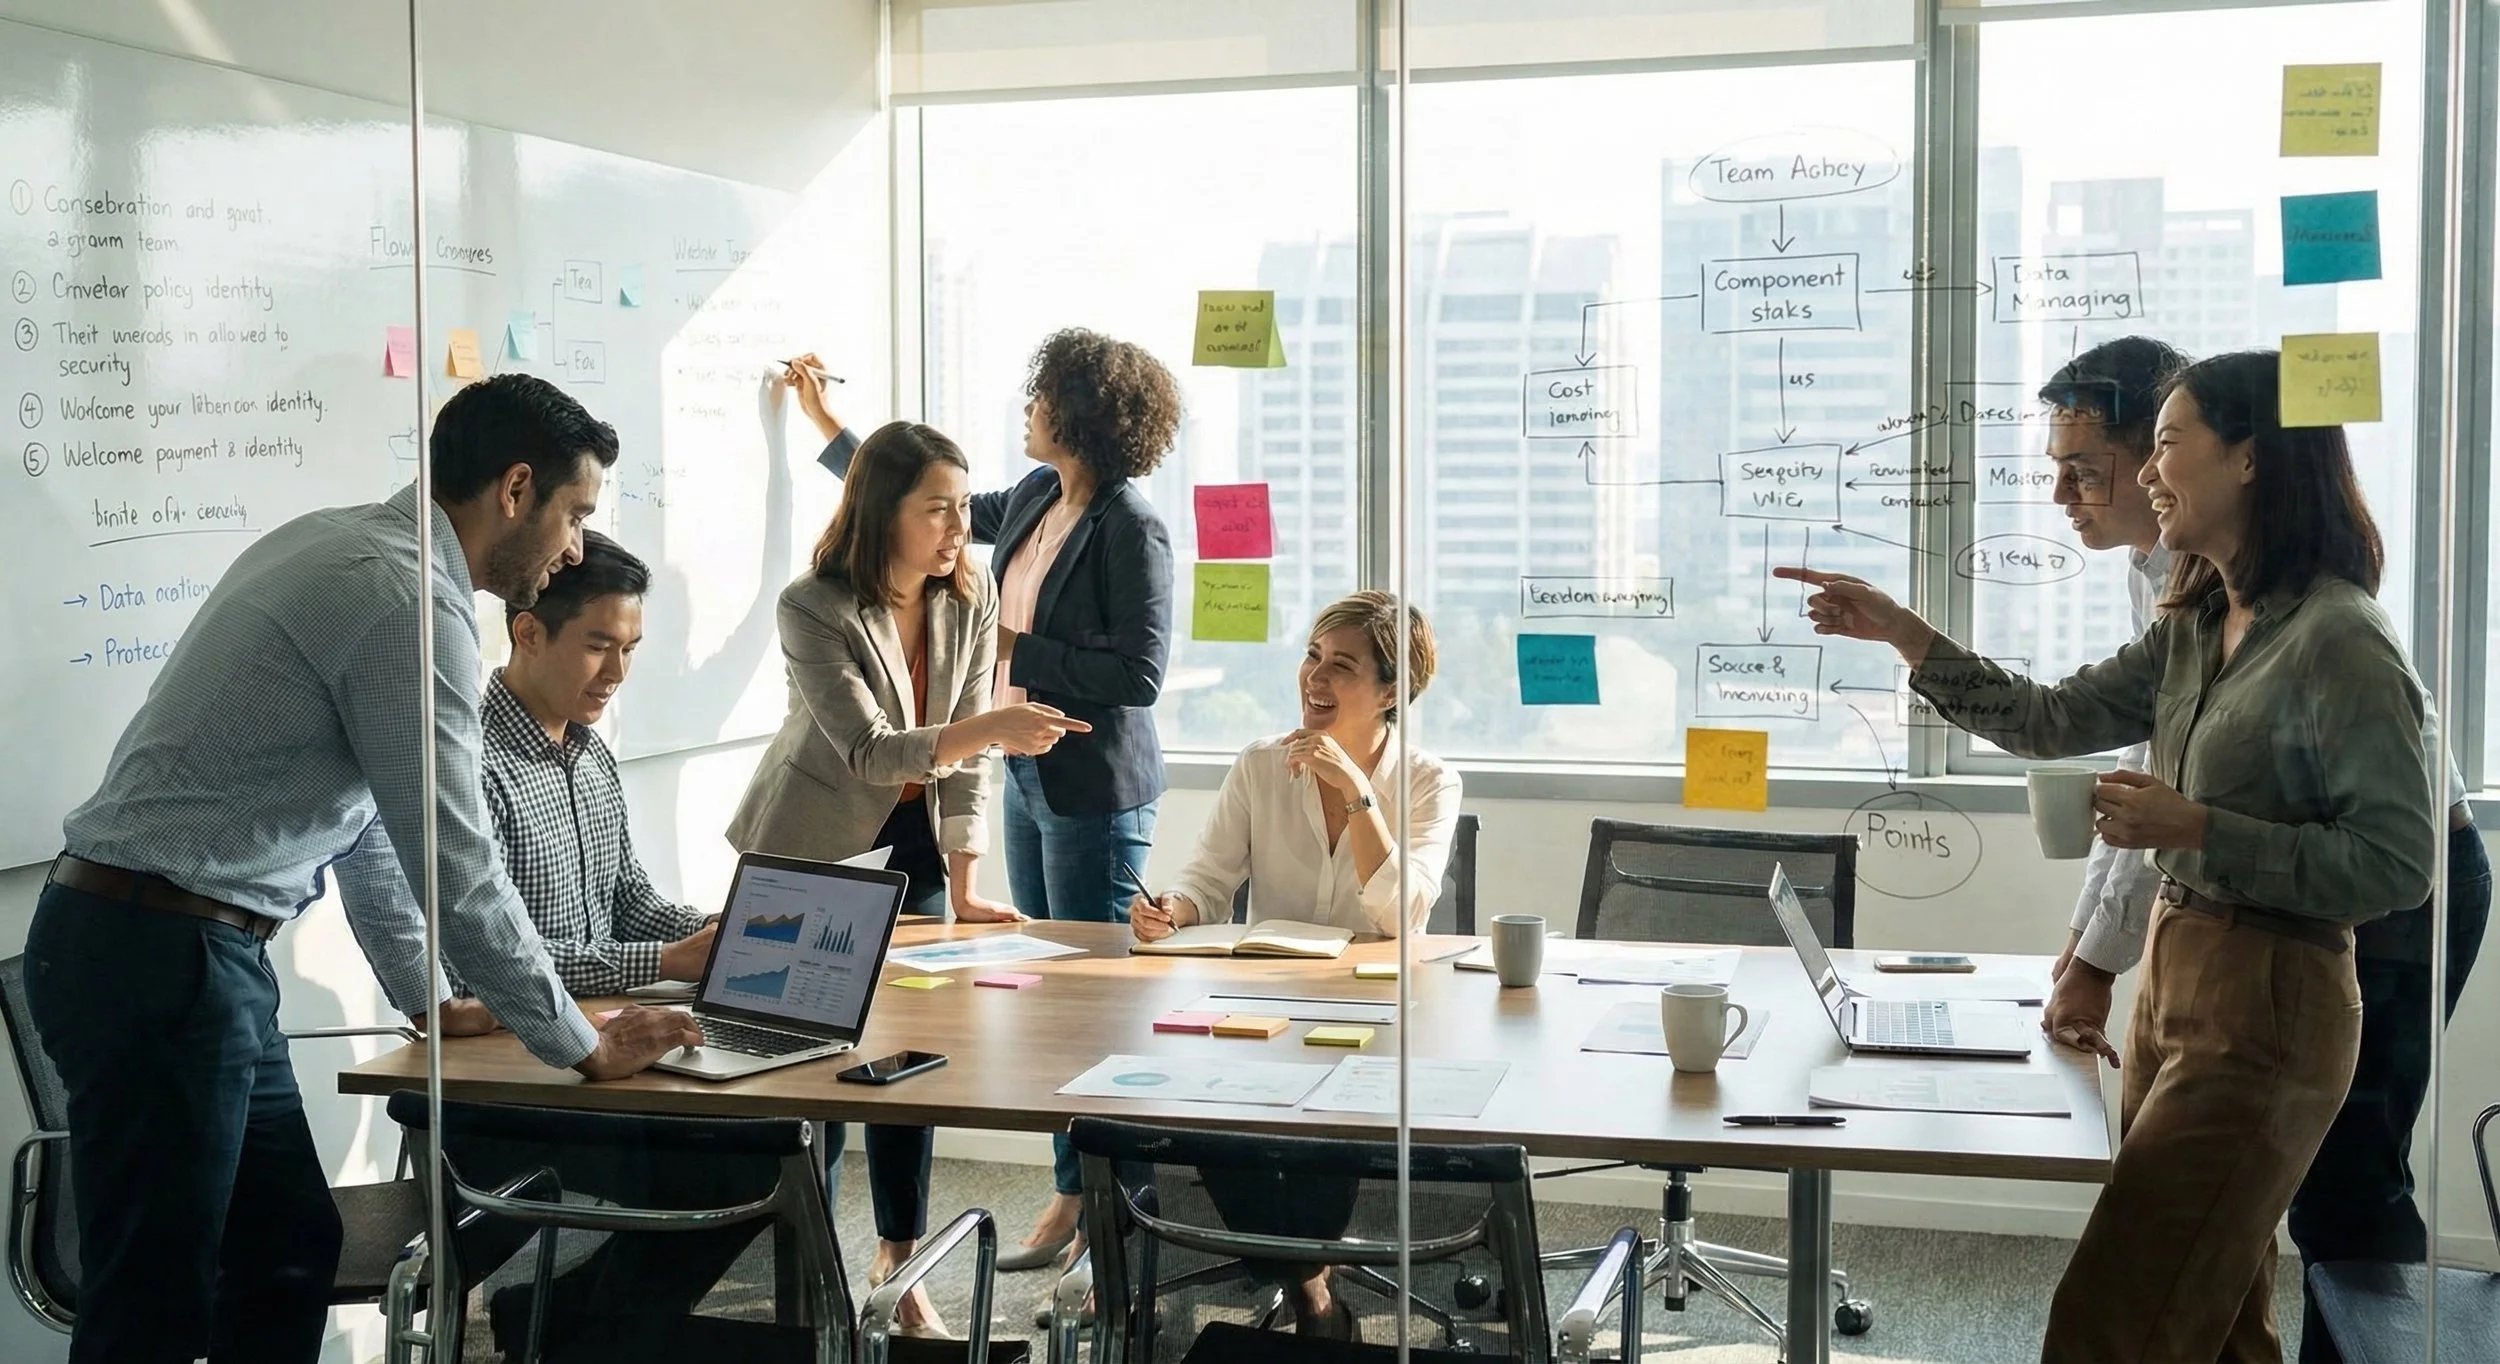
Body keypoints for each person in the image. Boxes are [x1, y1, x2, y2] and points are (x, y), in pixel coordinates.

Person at [22, 374, 703, 1364]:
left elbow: (376, 830)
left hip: (185, 950)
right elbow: (455, 861)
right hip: (162, 953)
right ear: (515, 489)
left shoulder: (355, 548)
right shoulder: (403, 601)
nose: (574, 548)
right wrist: (578, 1043)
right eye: (574, 514)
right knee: (154, 1297)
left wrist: (430, 994)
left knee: (285, 1250)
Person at [1779, 349, 2439, 1364]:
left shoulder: (2339, 637)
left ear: (2251, 459)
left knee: (2116, 1315)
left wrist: (2199, 828)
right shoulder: (2197, 617)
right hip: (2179, 972)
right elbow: (2051, 718)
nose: (2151, 474)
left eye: (2169, 444)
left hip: (2273, 991)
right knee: (2213, 1312)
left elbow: (2396, 865)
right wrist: (1908, 637)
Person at [2029, 339, 2491, 1364]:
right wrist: (2087, 956)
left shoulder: (2303, 608)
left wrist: (2092, 962)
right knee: (2226, 1235)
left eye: (2086, 465)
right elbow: (2140, 784)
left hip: (2402, 880)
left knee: (2341, 1178)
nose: (2065, 492)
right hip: (2246, 895)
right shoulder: (2191, 583)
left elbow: (2178, 810)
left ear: (2233, 457)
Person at [790, 333, 1183, 1271]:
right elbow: (925, 507)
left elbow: (1141, 671)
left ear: (1078, 412)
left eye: (1040, 393)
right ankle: (1070, 1196)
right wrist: (831, 431)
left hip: (1093, 785)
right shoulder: (1043, 496)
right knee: (1055, 999)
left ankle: (1102, 1216)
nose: (1026, 406)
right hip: (1020, 771)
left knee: (1097, 1009)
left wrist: (1009, 648)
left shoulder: (1132, 525)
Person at [727, 418, 1091, 1330]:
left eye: (964, 507)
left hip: (913, 852)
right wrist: (997, 728)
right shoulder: (813, 605)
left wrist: (965, 876)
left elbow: (963, 764)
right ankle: (808, 1272)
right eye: (938, 508)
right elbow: (866, 750)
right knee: (812, 1081)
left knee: (903, 1071)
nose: (955, 527)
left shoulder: (964, 599)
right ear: (881, 510)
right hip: (808, 854)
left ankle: (899, 1269)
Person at [1131, 591, 1461, 1340]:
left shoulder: (1428, 781)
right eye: (1312, 656)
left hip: (1375, 1015)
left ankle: (1297, 1274)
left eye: (1340, 666)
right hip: (1262, 1002)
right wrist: (1172, 911)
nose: (1314, 676)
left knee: (1329, 1132)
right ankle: (1313, 1282)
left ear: (1390, 692)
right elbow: (1209, 880)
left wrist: (1355, 792)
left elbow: (1400, 914)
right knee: (1203, 1114)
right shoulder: (1259, 764)